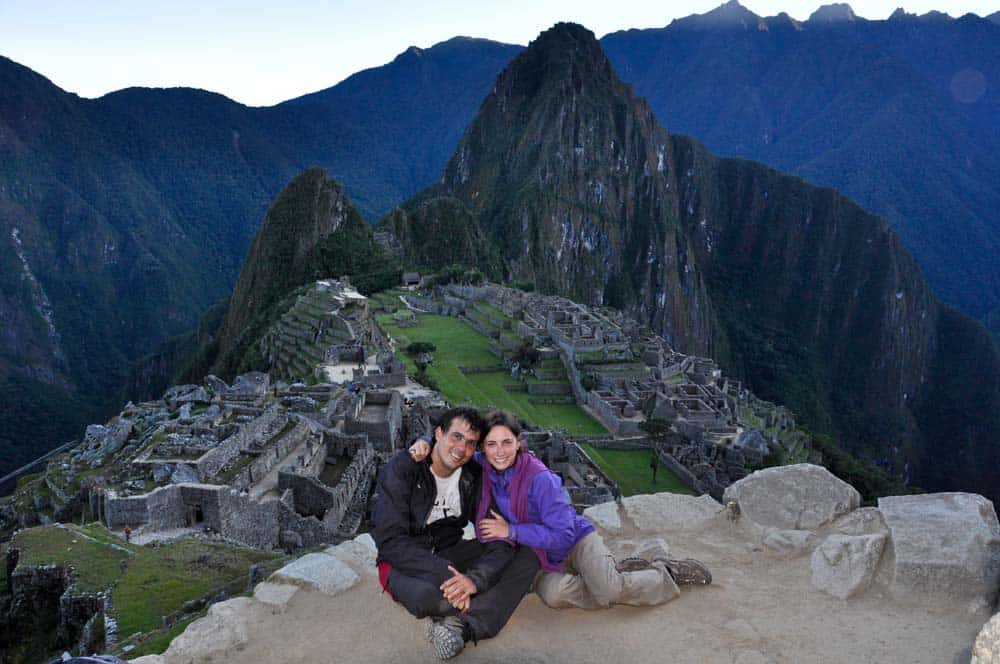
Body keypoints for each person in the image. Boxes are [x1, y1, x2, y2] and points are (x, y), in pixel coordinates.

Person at [410, 410, 711, 611]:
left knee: (608, 594)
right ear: (484, 449)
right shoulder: (487, 468)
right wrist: (425, 442)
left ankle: (664, 570)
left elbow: (563, 532)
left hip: (573, 542)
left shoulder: (540, 479)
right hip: (535, 556)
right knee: (554, 597)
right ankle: (612, 572)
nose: (499, 451)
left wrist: (512, 531)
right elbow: (454, 446)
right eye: (491, 444)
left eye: (506, 443)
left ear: (518, 443)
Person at [373, 407, 539, 660]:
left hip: (451, 550)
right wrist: (447, 574)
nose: (461, 448)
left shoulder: (473, 476)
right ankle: (493, 597)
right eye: (456, 437)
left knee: (526, 551)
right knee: (432, 598)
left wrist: (475, 580)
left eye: (471, 443)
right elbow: (390, 542)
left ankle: (462, 626)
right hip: (405, 560)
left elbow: (496, 537)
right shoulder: (403, 468)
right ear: (438, 434)